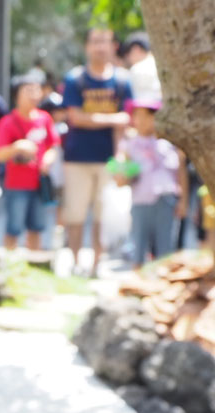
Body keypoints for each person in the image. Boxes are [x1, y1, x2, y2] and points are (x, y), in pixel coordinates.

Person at [62, 27, 133, 275]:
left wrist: (120, 153)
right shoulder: (74, 79)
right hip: (76, 157)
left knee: (103, 215)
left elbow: (128, 118)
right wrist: (112, 119)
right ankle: (73, 262)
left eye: (105, 41)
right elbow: (75, 118)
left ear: (113, 45)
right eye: (95, 41)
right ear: (87, 46)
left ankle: (96, 264)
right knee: (75, 213)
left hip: (110, 159)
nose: (100, 46)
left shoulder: (123, 80)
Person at [112, 98, 188, 267]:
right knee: (138, 244)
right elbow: (120, 177)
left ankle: (163, 284)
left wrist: (183, 201)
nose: (141, 121)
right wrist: (123, 173)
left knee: (165, 246)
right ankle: (137, 281)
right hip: (141, 199)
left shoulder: (170, 143)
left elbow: (181, 171)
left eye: (147, 116)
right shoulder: (129, 145)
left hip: (166, 198)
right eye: (137, 116)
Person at [0, 74, 60, 250]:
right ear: (17, 95)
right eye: (28, 90)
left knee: (37, 227)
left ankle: (34, 265)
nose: (34, 94)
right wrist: (17, 147)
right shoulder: (7, 122)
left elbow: (53, 146)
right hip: (16, 185)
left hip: (39, 183)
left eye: (36, 89)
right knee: (13, 229)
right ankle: (10, 264)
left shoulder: (45, 118)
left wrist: (47, 160)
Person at [122, 31, 162, 102]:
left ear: (136, 49)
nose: (128, 59)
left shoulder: (137, 69)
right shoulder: (161, 64)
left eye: (128, 54)